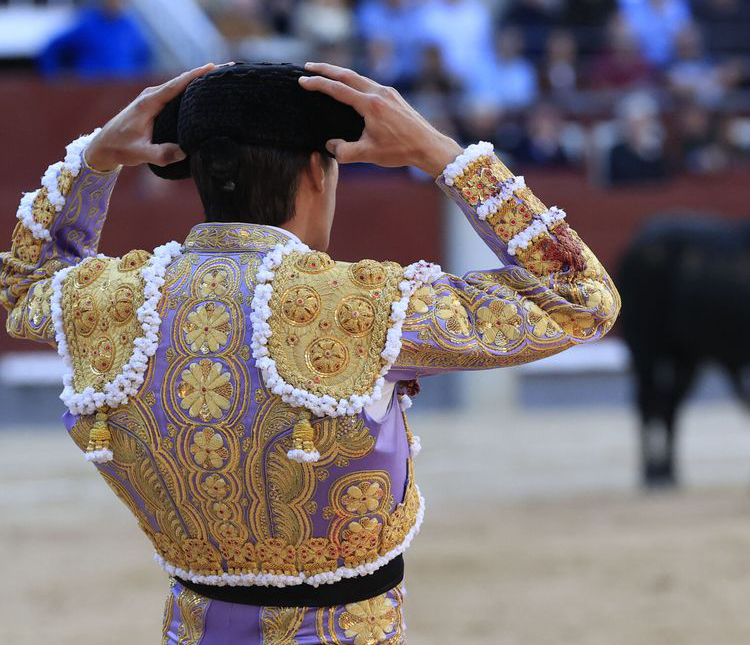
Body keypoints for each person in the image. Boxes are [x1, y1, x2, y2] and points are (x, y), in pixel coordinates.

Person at [1, 62, 619, 642]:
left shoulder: (107, 301)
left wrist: (94, 161)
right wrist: (446, 157)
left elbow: (23, 284)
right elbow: (580, 298)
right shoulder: (365, 306)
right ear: (319, 172)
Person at [37, 0, 152, 79]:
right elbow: (53, 48)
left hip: (121, 91)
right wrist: (54, 78)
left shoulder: (131, 27)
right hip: (91, 91)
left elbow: (143, 56)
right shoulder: (87, 25)